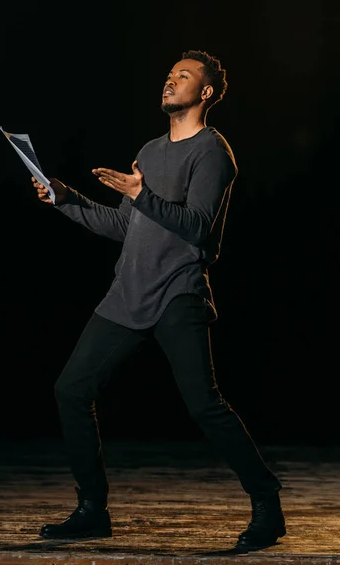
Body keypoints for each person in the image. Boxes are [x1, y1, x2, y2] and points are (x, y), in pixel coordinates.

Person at [32, 50, 286, 551]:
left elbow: (195, 226)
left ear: (207, 93)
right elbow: (129, 227)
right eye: (170, 75)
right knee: (71, 391)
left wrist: (141, 195)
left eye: (184, 76)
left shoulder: (213, 153)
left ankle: (267, 505)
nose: (171, 82)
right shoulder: (149, 152)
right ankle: (91, 510)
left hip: (178, 293)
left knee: (204, 405)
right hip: (126, 293)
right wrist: (68, 201)